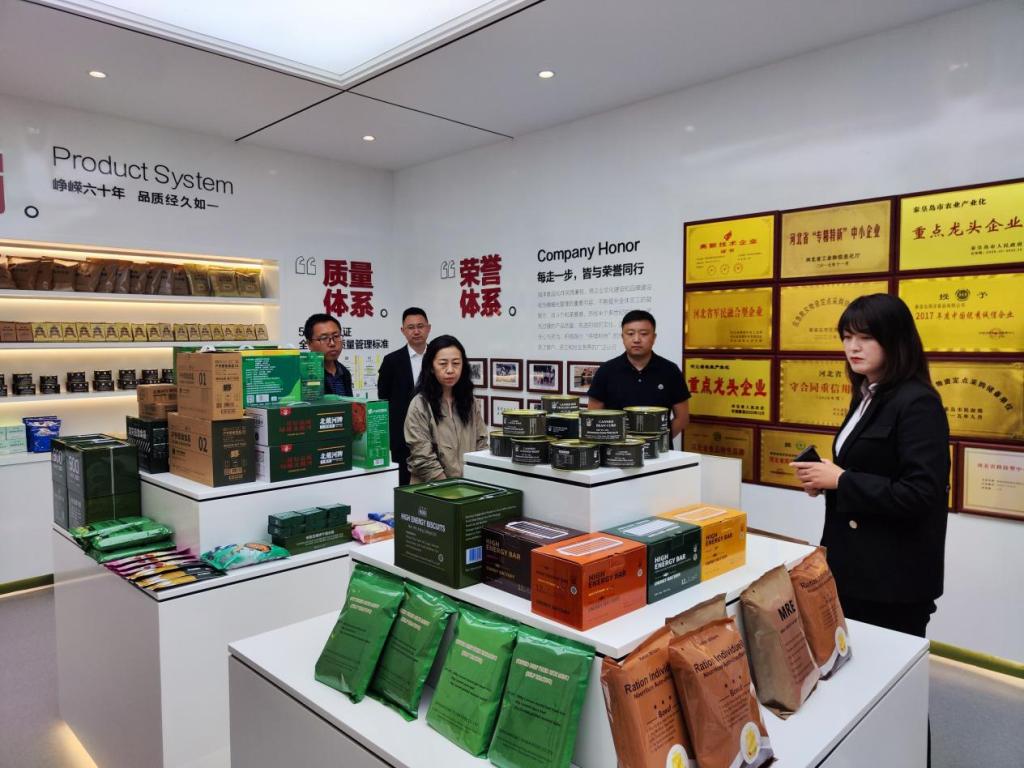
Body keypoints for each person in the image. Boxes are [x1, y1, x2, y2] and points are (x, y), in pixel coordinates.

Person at [791, 293, 949, 638]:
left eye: (865, 337)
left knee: (885, 664)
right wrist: (825, 479)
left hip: (892, 577)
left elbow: (922, 493)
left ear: (895, 339)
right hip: (853, 564)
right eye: (847, 337)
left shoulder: (917, 402)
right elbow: (871, 468)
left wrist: (842, 480)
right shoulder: (867, 393)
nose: (853, 347)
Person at [586, 309, 690, 437]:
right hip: (616, 448)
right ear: (622, 337)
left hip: (658, 449)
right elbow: (593, 417)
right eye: (630, 333)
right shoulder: (606, 371)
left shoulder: (670, 370)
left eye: (644, 334)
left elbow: (682, 418)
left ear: (654, 337)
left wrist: (660, 441)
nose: (636, 339)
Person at [404, 334, 487, 484]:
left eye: (456, 363)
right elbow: (422, 457)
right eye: (443, 364)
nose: (450, 370)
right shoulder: (420, 404)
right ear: (431, 367)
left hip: (467, 487)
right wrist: (450, 489)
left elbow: (481, 445)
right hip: (432, 488)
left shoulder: (470, 402)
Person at [377, 307, 431, 484]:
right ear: (403, 330)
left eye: (420, 326)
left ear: (428, 328)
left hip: (435, 432)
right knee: (404, 484)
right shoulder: (391, 361)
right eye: (411, 327)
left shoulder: (438, 357)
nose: (416, 331)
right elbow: (384, 398)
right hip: (402, 436)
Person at [304, 313, 353, 397]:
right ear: (309, 344)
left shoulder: (344, 372)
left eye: (336, 336)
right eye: (324, 338)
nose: (332, 343)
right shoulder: (303, 374)